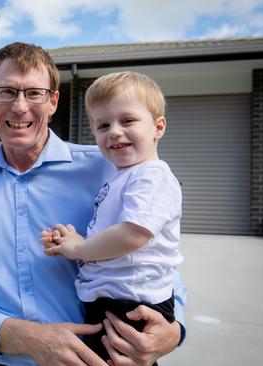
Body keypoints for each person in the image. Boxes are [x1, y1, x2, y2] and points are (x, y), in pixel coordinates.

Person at [0, 42, 187, 366]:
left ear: (53, 101)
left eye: (34, 93)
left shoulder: (110, 168)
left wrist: (173, 328)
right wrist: (30, 339)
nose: (19, 107)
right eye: (7, 91)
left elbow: (152, 256)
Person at [39, 71, 183, 363]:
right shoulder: (123, 177)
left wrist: (78, 248)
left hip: (130, 307)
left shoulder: (152, 176)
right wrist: (70, 241)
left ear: (158, 126)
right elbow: (110, 237)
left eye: (127, 120)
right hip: (115, 302)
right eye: (103, 125)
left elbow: (133, 235)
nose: (114, 131)